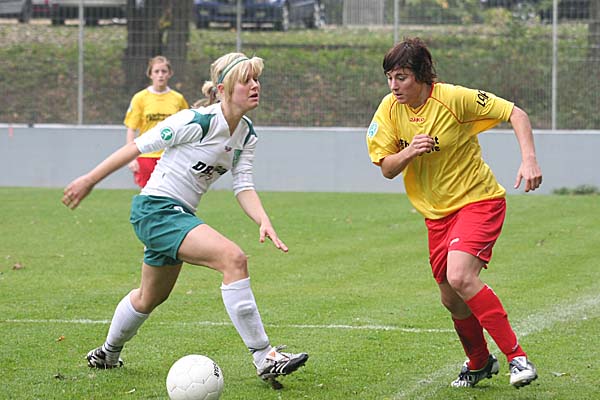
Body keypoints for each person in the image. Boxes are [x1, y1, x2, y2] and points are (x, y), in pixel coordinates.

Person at [62, 52, 309, 384]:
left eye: (256, 79)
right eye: (246, 80)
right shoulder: (196, 121)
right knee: (233, 259)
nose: (255, 86)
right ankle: (264, 356)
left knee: (150, 296)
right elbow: (136, 147)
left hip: (177, 215)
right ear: (222, 89)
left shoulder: (246, 134)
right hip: (155, 210)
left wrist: (263, 220)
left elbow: (243, 184)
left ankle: (107, 353)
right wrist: (89, 180)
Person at [366, 37, 542, 389]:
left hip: (478, 200)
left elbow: (516, 113)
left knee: (461, 276)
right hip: (436, 215)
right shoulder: (389, 109)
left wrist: (529, 159)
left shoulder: (453, 98)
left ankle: (518, 358)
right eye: (390, 77)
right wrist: (410, 152)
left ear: (421, 75)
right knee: (451, 297)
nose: (394, 86)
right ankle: (479, 362)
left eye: (401, 77)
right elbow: (386, 168)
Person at [124, 55, 189, 188]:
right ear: (150, 74)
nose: (160, 75)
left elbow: (187, 128)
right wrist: (131, 158)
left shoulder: (178, 99)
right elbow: (131, 129)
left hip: (170, 155)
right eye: (156, 71)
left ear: (170, 74)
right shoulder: (140, 98)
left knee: (170, 193)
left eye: (164, 71)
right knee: (147, 194)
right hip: (146, 154)